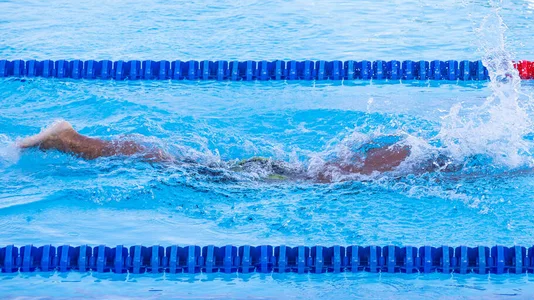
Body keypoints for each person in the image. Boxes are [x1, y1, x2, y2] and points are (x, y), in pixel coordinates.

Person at [17, 120, 416, 182]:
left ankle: (69, 140)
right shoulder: (417, 161)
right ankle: (66, 140)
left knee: (175, 163)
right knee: (168, 163)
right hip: (268, 178)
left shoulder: (414, 149)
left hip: (273, 172)